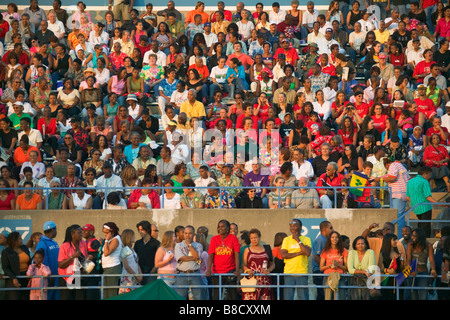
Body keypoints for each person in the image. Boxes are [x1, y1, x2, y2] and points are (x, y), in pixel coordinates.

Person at [206, 219, 240, 300]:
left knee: (231, 296)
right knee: (216, 296)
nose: (220, 228)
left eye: (222, 226)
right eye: (219, 227)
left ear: (228, 228)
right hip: (217, 272)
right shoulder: (214, 239)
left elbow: (236, 255)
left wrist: (237, 270)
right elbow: (211, 256)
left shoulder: (233, 238)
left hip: (230, 271)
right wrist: (208, 270)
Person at [407, 166, 443, 238]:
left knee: (420, 224)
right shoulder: (424, 181)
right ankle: (426, 241)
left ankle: (419, 238)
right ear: (424, 174)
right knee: (426, 227)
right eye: (429, 175)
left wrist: (415, 201)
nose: (429, 177)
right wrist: (439, 203)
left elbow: (408, 197)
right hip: (425, 207)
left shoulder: (410, 181)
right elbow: (428, 197)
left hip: (416, 207)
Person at [280, 218, 312, 300]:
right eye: (291, 226)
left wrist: (298, 240)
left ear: (300, 227)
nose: (292, 228)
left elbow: (307, 253)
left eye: (295, 226)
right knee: (288, 297)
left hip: (302, 273)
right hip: (288, 273)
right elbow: (283, 255)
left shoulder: (306, 239)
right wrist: (299, 253)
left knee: (303, 297)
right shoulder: (286, 240)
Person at [241, 228, 274, 300]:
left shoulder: (267, 249)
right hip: (252, 281)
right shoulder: (247, 250)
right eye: (251, 238)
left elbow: (272, 263)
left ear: (259, 237)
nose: (254, 240)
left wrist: (269, 270)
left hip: (265, 281)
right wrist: (248, 270)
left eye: (255, 237)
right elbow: (243, 265)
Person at [57, 224, 88, 300]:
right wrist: (72, 256)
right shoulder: (64, 246)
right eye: (79, 232)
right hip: (66, 277)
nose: (82, 234)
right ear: (72, 234)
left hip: (79, 276)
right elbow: (60, 265)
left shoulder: (83, 243)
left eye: (82, 232)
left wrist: (87, 259)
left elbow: (84, 260)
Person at [406, 228, 438, 300]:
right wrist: (410, 271)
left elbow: (431, 260)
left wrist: (433, 270)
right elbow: (408, 260)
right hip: (412, 272)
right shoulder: (410, 245)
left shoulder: (428, 245)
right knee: (413, 296)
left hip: (423, 273)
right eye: (412, 235)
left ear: (420, 236)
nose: (412, 237)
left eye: (414, 235)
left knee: (423, 297)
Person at [174, 225, 204, 300]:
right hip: (182, 274)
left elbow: (197, 257)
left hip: (195, 273)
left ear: (194, 234)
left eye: (190, 233)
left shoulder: (198, 245)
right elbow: (181, 258)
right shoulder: (178, 245)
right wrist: (194, 258)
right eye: (186, 233)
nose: (187, 235)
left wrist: (190, 245)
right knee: (180, 297)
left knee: (198, 297)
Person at [1, 231, 31, 300]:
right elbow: (5, 267)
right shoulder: (6, 252)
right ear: (14, 241)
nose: (22, 240)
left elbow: (29, 262)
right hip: (12, 281)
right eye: (20, 239)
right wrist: (13, 278)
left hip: (25, 278)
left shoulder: (24, 248)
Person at [319, 231, 348, 300]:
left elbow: (346, 268)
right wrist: (329, 266)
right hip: (328, 277)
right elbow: (321, 268)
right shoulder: (325, 250)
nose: (334, 239)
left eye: (336, 237)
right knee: (328, 297)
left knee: (340, 297)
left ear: (339, 239)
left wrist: (338, 264)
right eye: (332, 237)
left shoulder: (343, 250)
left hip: (340, 277)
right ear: (329, 239)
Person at [35, 221, 59, 300]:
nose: (56, 231)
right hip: (48, 277)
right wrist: (49, 274)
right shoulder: (42, 243)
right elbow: (40, 260)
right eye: (55, 229)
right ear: (53, 230)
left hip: (56, 277)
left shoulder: (54, 242)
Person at [347, 236, 376, 300]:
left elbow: (372, 269)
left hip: (367, 281)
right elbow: (350, 270)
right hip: (354, 281)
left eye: (362, 243)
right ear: (355, 245)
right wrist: (364, 272)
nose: (360, 245)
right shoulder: (352, 252)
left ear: (366, 244)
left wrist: (359, 271)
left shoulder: (370, 252)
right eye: (358, 244)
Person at [377, 233, 404, 300]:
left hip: (399, 280)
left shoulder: (399, 252)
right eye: (394, 240)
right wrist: (387, 270)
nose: (396, 241)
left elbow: (402, 267)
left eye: (396, 239)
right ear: (388, 241)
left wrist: (402, 259)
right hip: (387, 281)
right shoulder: (382, 254)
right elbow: (379, 269)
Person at [312, 221, 334, 300]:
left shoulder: (324, 239)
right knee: (323, 294)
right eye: (331, 228)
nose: (332, 230)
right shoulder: (321, 240)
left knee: (323, 294)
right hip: (319, 271)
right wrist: (326, 267)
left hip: (322, 271)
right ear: (324, 229)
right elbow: (316, 257)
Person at [134, 220, 160, 285]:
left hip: (151, 273)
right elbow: (135, 259)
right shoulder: (137, 243)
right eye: (139, 230)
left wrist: (152, 272)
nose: (140, 232)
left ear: (147, 230)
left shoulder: (156, 243)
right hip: (139, 273)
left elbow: (159, 259)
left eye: (142, 230)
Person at [101, 222, 122, 299]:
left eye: (107, 233)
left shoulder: (115, 240)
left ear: (112, 232)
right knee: (106, 293)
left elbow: (106, 253)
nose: (105, 234)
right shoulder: (111, 239)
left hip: (113, 267)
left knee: (111, 293)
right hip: (107, 268)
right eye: (104, 232)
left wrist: (106, 240)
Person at [118, 229, 142, 295]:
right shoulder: (124, 250)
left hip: (135, 277)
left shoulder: (132, 250)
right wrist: (135, 275)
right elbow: (126, 266)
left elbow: (136, 263)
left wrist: (140, 274)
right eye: (133, 236)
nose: (134, 237)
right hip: (128, 277)